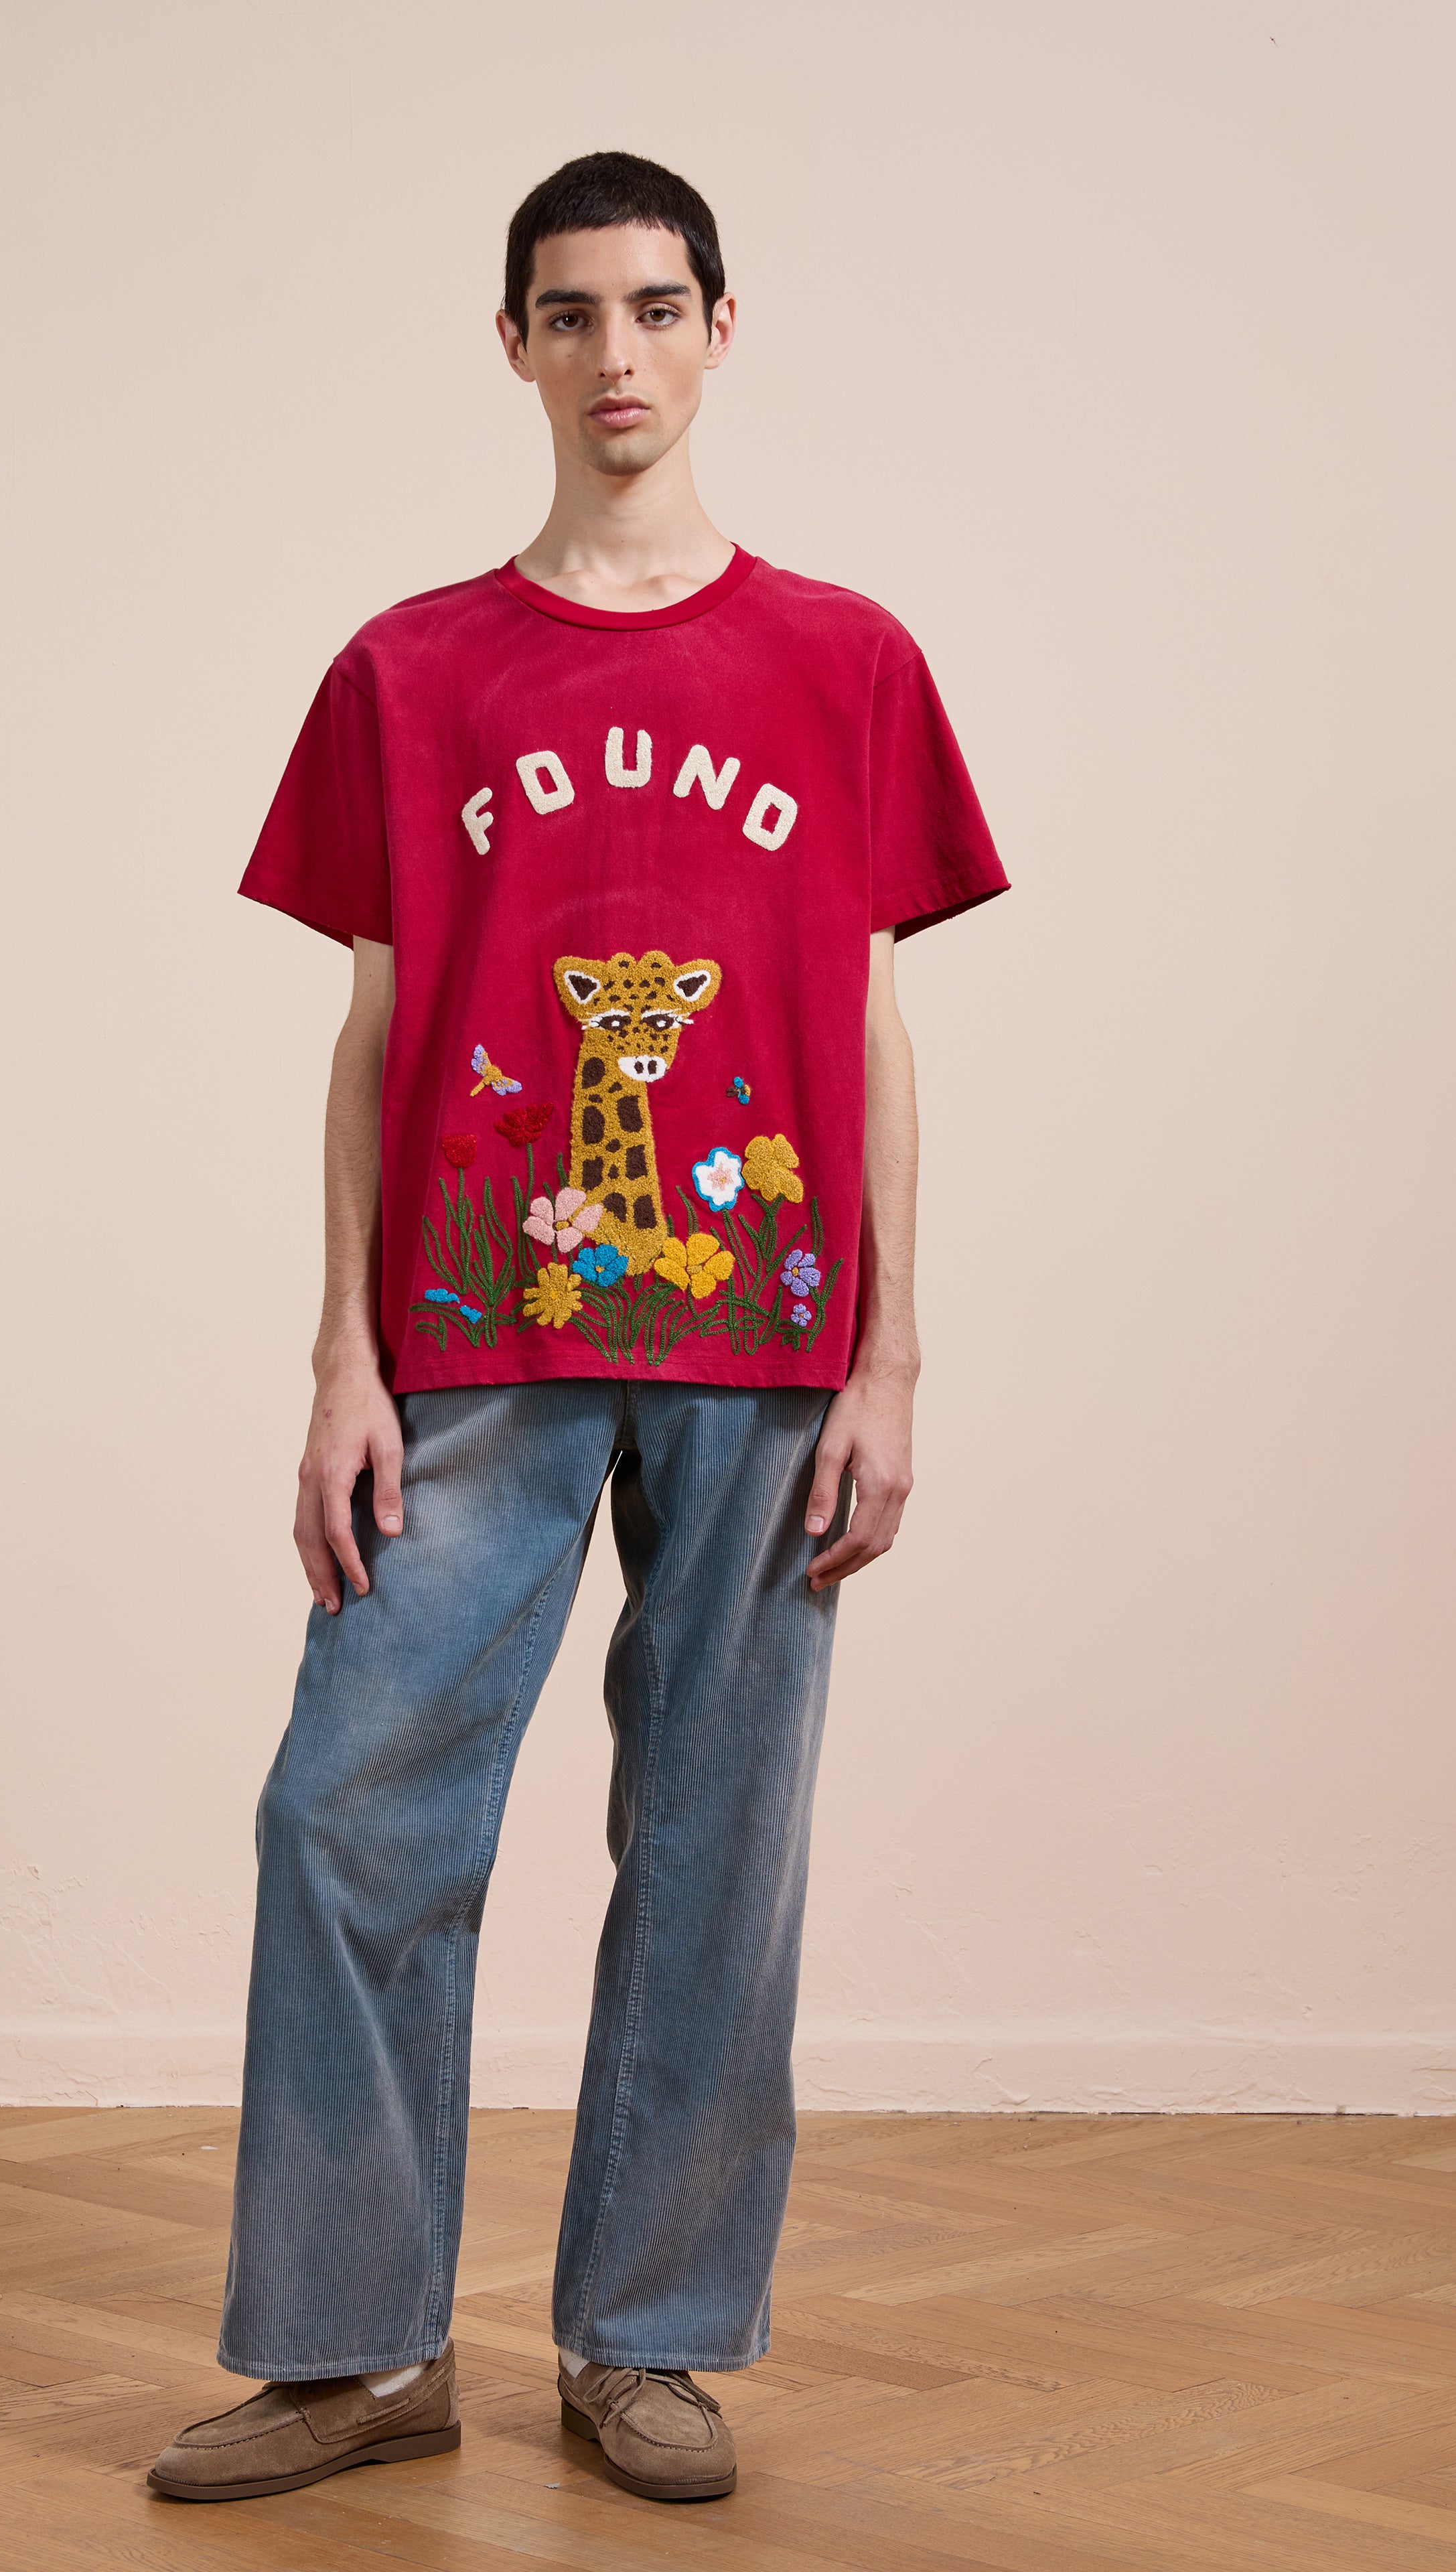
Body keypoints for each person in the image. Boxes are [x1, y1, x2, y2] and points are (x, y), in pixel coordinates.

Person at [149, 149, 1008, 2508]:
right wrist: (339, 1352)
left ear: (726, 327)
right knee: (350, 1814)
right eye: (568, 313)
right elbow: (372, 1028)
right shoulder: (411, 673)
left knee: (721, 1843)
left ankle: (647, 2338)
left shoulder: (845, 663)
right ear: (511, 346)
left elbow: (868, 1022)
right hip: (473, 1333)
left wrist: (895, 1352)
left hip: (767, 1344)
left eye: (656, 307)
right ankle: (349, 2347)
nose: (616, 354)